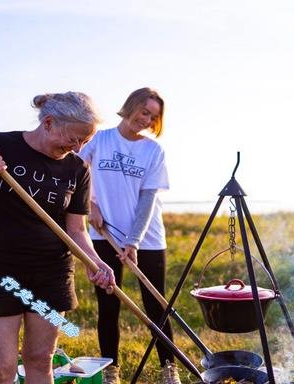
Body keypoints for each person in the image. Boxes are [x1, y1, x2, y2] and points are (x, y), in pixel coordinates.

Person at [0, 92, 116, 384]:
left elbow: (75, 230)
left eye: (85, 142)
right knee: (0, 371)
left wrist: (94, 262)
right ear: (48, 122)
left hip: (51, 276)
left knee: (40, 361)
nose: (76, 147)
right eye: (73, 139)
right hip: (0, 274)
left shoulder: (77, 169)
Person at [78, 87, 179, 384]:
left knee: (155, 304)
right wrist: (90, 205)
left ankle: (168, 367)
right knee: (108, 305)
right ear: (131, 106)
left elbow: (148, 198)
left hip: (146, 237)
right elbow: (76, 175)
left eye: (153, 116)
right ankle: (111, 369)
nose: (146, 119)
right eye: (144, 111)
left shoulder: (153, 151)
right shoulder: (100, 139)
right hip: (103, 234)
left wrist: (133, 241)